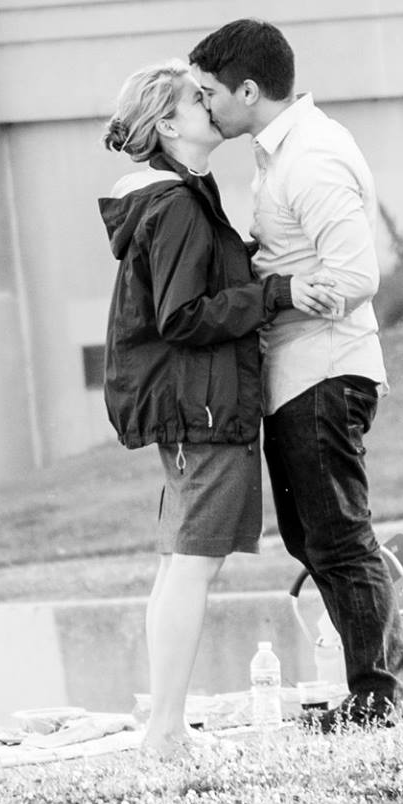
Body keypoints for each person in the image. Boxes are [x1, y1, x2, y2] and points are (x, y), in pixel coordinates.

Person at [98, 59, 340, 757]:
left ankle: (165, 727)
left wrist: (255, 263)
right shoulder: (176, 204)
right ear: (169, 126)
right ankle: (166, 732)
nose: (212, 105)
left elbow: (202, 287)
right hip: (201, 410)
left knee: (179, 563)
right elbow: (182, 316)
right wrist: (277, 293)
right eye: (196, 100)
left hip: (197, 408)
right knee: (192, 566)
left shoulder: (184, 196)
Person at [187, 19, 403, 730]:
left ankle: (382, 697)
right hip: (297, 373)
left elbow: (355, 274)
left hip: (325, 369)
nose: (204, 106)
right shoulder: (280, 153)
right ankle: (381, 687)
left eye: (209, 93)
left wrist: (276, 288)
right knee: (313, 536)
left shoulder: (310, 157)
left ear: (248, 90)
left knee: (338, 535)